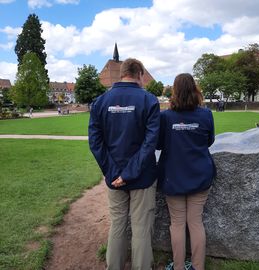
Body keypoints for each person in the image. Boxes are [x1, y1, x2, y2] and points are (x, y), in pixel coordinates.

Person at [88, 58, 160, 270]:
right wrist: (127, 173)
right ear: (139, 74)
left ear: (122, 74)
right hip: (141, 176)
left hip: (117, 176)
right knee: (141, 228)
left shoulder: (100, 101)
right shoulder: (149, 100)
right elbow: (150, 143)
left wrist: (114, 173)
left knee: (117, 224)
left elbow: (95, 142)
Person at [157, 73, 216, 270]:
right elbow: (209, 141)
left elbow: (158, 144)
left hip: (174, 178)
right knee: (195, 223)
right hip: (199, 176)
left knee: (178, 224)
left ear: (175, 91)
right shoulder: (205, 115)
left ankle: (179, 266)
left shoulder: (165, 117)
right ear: (194, 89)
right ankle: (197, 267)